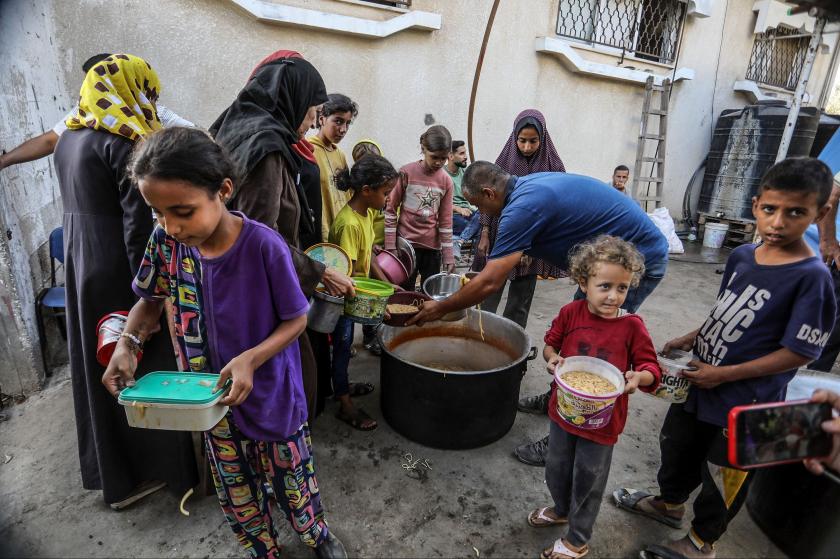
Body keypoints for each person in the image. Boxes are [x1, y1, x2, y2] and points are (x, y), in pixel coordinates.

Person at [103, 127, 346, 558]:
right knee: (235, 486)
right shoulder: (165, 244)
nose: (171, 226)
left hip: (271, 392)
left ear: (224, 190)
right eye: (157, 213)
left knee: (292, 476)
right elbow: (150, 301)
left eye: (182, 211)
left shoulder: (264, 247)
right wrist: (128, 344)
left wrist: (251, 358)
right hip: (208, 400)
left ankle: (314, 533)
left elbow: (295, 320)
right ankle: (262, 547)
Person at [614, 158, 837, 559]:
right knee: (677, 446)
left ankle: (701, 542)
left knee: (725, 473)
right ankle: (669, 504)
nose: (778, 222)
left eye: (796, 213)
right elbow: (726, 310)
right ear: (755, 205)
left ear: (819, 214)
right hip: (700, 382)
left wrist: (726, 374)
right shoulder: (743, 256)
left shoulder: (813, 277)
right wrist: (690, 336)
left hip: (749, 400)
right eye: (770, 209)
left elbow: (800, 352)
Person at [409, 161, 669, 466]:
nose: (483, 216)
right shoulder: (526, 187)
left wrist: (440, 307)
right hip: (601, 266)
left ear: (490, 193)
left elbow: (491, 281)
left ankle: (565, 439)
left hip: (633, 264)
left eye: (480, 207)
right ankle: (554, 400)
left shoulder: (521, 209)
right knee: (575, 335)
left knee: (594, 351)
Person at [52, 53, 197, 508]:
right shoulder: (125, 142)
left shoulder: (70, 137)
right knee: (139, 360)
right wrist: (155, 296)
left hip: (82, 263)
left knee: (95, 365)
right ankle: (155, 471)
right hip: (119, 268)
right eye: (148, 91)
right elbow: (140, 232)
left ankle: (110, 474)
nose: (151, 101)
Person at [209, 53, 356, 420]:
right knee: (285, 386)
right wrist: (320, 272)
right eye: (311, 111)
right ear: (290, 100)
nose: (310, 121)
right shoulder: (267, 151)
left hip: (228, 286)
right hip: (259, 294)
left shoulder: (236, 129)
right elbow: (261, 239)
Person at [531, 235, 660, 559]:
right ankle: (561, 509)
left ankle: (578, 538)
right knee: (556, 467)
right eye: (605, 286)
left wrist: (637, 377)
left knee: (589, 479)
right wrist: (552, 358)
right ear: (583, 281)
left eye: (622, 288)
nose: (613, 296)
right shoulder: (571, 313)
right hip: (564, 411)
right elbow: (551, 344)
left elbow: (650, 367)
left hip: (602, 423)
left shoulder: (632, 326)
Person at [0, 53, 192, 171]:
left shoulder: (156, 115)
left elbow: (197, 137)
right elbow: (50, 140)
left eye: (99, 83)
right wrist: (4, 160)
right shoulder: (82, 116)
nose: (93, 90)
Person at [478, 109, 567, 329]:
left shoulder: (554, 168)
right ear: (514, 137)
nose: (527, 147)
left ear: (543, 138)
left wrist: (531, 248)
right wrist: (485, 231)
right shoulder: (501, 165)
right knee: (490, 288)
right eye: (522, 140)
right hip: (503, 234)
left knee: (520, 299)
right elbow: (488, 199)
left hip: (535, 238)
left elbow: (556, 210)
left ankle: (511, 344)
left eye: (533, 141)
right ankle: (480, 334)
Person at [329, 155, 399, 430]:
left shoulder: (368, 213)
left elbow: (368, 256)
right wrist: (381, 301)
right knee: (342, 349)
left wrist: (388, 283)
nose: (388, 199)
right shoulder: (348, 224)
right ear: (366, 190)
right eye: (385, 193)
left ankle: (343, 386)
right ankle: (344, 405)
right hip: (341, 297)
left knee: (345, 348)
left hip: (355, 291)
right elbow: (345, 276)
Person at [385, 125, 456, 290]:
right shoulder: (406, 172)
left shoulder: (446, 181)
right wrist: (390, 246)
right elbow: (390, 210)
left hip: (432, 249)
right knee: (404, 291)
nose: (439, 162)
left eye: (444, 158)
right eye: (434, 157)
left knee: (429, 292)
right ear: (423, 149)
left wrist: (448, 256)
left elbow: (446, 221)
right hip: (406, 246)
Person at [351, 138, 387, 356]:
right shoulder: (359, 199)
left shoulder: (383, 188)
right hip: (367, 250)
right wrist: (371, 245)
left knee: (376, 297)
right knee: (367, 298)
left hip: (382, 249)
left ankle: (371, 334)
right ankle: (366, 337)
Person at [310, 94, 358, 242]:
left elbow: (346, 195)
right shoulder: (309, 151)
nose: (343, 129)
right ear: (322, 118)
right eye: (338, 121)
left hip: (342, 234)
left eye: (348, 123)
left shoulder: (340, 155)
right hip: (318, 234)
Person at [445, 140, 478, 262]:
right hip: (452, 216)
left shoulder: (465, 173)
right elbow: (437, 203)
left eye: (466, 153)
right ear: (451, 156)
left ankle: (459, 241)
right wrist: (457, 208)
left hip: (469, 215)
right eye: (462, 153)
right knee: (480, 229)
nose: (466, 157)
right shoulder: (441, 174)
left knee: (485, 217)